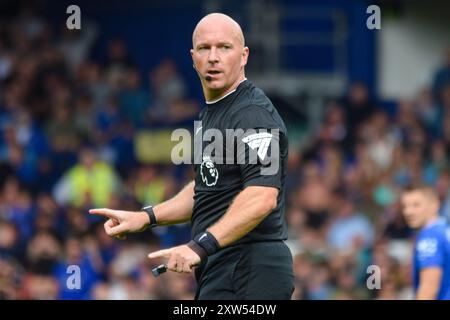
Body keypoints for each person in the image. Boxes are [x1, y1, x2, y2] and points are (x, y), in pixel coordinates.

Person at [90, 12, 294, 300]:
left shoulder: (253, 114)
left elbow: (262, 196)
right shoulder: (212, 113)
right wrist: (146, 217)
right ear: (193, 56)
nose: (213, 57)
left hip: (251, 269)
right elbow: (204, 190)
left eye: (224, 47)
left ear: (244, 55)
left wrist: (199, 246)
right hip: (222, 268)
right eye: (204, 48)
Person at [401, 185, 450, 300]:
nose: (408, 212)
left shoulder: (430, 237)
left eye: (416, 205)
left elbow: (429, 289)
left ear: (434, 205)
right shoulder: (444, 231)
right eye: (405, 206)